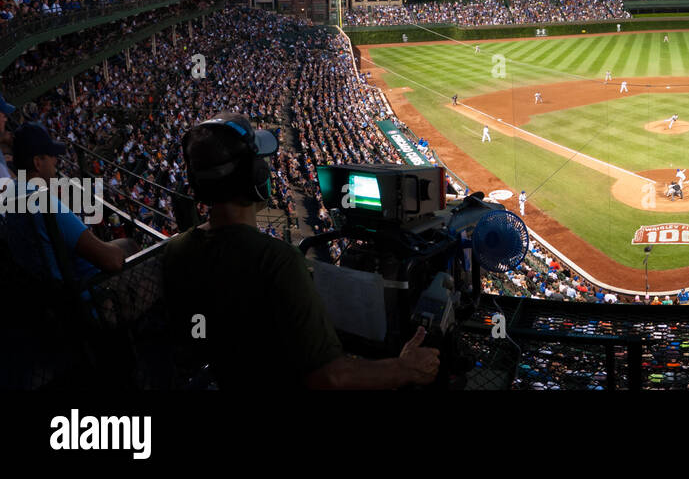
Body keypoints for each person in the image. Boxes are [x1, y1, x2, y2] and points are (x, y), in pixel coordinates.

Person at [163, 112, 439, 390]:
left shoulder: (175, 249)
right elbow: (329, 377)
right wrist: (404, 367)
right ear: (254, 175)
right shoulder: (275, 259)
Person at [10, 123, 138, 282]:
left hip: (50, 292)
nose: (56, 161)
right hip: (88, 291)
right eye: (51, 156)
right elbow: (111, 261)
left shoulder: (12, 195)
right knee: (134, 249)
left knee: (126, 244)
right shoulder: (43, 201)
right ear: (37, 163)